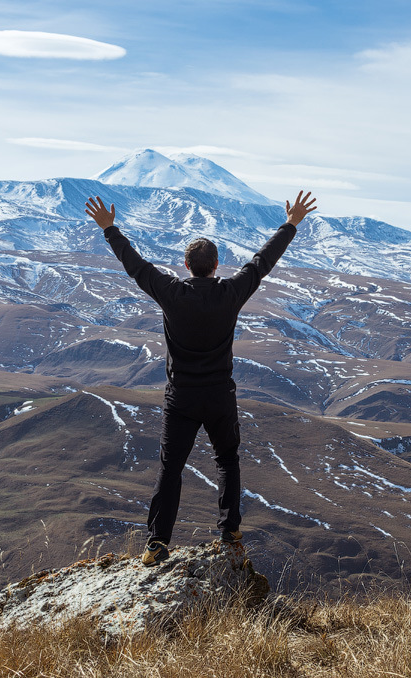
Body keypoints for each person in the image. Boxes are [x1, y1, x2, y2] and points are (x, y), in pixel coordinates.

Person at [85, 191, 318, 565]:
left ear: (186, 265)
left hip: (181, 399)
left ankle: (157, 543)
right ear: (215, 265)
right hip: (220, 397)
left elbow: (137, 266)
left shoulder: (172, 293)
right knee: (227, 461)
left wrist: (110, 230)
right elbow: (262, 262)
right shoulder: (231, 293)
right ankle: (229, 533)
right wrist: (290, 224)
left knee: (170, 467)